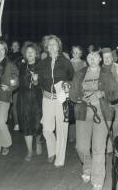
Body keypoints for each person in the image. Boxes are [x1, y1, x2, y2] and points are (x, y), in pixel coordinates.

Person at [70, 51, 118, 190]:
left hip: (102, 114)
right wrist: (80, 98)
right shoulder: (79, 73)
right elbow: (73, 94)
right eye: (90, 57)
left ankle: (97, 178)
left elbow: (116, 93)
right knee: (81, 147)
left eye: (95, 57)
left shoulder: (106, 73)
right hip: (83, 113)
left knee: (98, 148)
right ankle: (87, 168)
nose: (93, 59)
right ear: (86, 59)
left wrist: (103, 93)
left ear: (100, 59)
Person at [36, 35, 74, 167]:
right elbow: (39, 81)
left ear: (59, 47)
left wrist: (66, 85)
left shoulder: (65, 62)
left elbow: (71, 77)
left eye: (54, 44)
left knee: (62, 129)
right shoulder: (42, 63)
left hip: (61, 98)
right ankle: (52, 150)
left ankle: (60, 158)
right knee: (46, 129)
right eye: (49, 45)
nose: (52, 47)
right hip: (47, 98)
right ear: (46, 48)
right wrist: (36, 80)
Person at [17, 42, 42, 161]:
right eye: (28, 52)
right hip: (24, 98)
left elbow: (44, 84)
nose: (30, 54)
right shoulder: (21, 66)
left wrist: (37, 81)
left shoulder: (41, 65)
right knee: (26, 123)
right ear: (25, 54)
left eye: (32, 52)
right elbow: (17, 81)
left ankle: (38, 141)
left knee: (38, 122)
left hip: (37, 98)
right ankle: (29, 151)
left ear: (36, 53)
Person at [69, 45, 87, 142]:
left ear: (81, 53)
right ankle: (71, 135)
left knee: (80, 112)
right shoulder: (68, 63)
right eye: (74, 52)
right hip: (71, 90)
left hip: (81, 90)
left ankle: (80, 134)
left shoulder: (84, 63)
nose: (76, 54)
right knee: (71, 113)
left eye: (78, 52)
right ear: (72, 52)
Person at [8, 40, 22, 131]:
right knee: (8, 103)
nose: (15, 47)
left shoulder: (22, 56)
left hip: (18, 81)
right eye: (14, 45)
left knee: (15, 104)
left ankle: (17, 123)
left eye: (17, 45)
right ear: (11, 47)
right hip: (8, 81)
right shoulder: (8, 56)